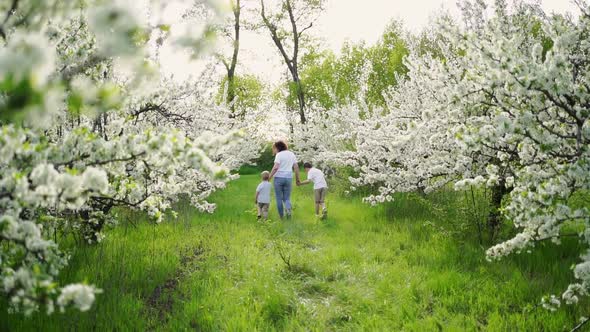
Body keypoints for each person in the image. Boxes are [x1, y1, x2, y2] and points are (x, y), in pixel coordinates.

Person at [268, 140, 300, 219]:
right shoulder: (291, 154)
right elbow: (296, 167)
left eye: (274, 148)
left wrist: (269, 177)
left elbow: (275, 167)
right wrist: (297, 179)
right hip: (289, 178)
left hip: (279, 178)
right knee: (287, 198)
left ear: (278, 147)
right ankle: (288, 212)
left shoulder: (279, 155)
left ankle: (281, 217)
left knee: (279, 198)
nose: (274, 150)